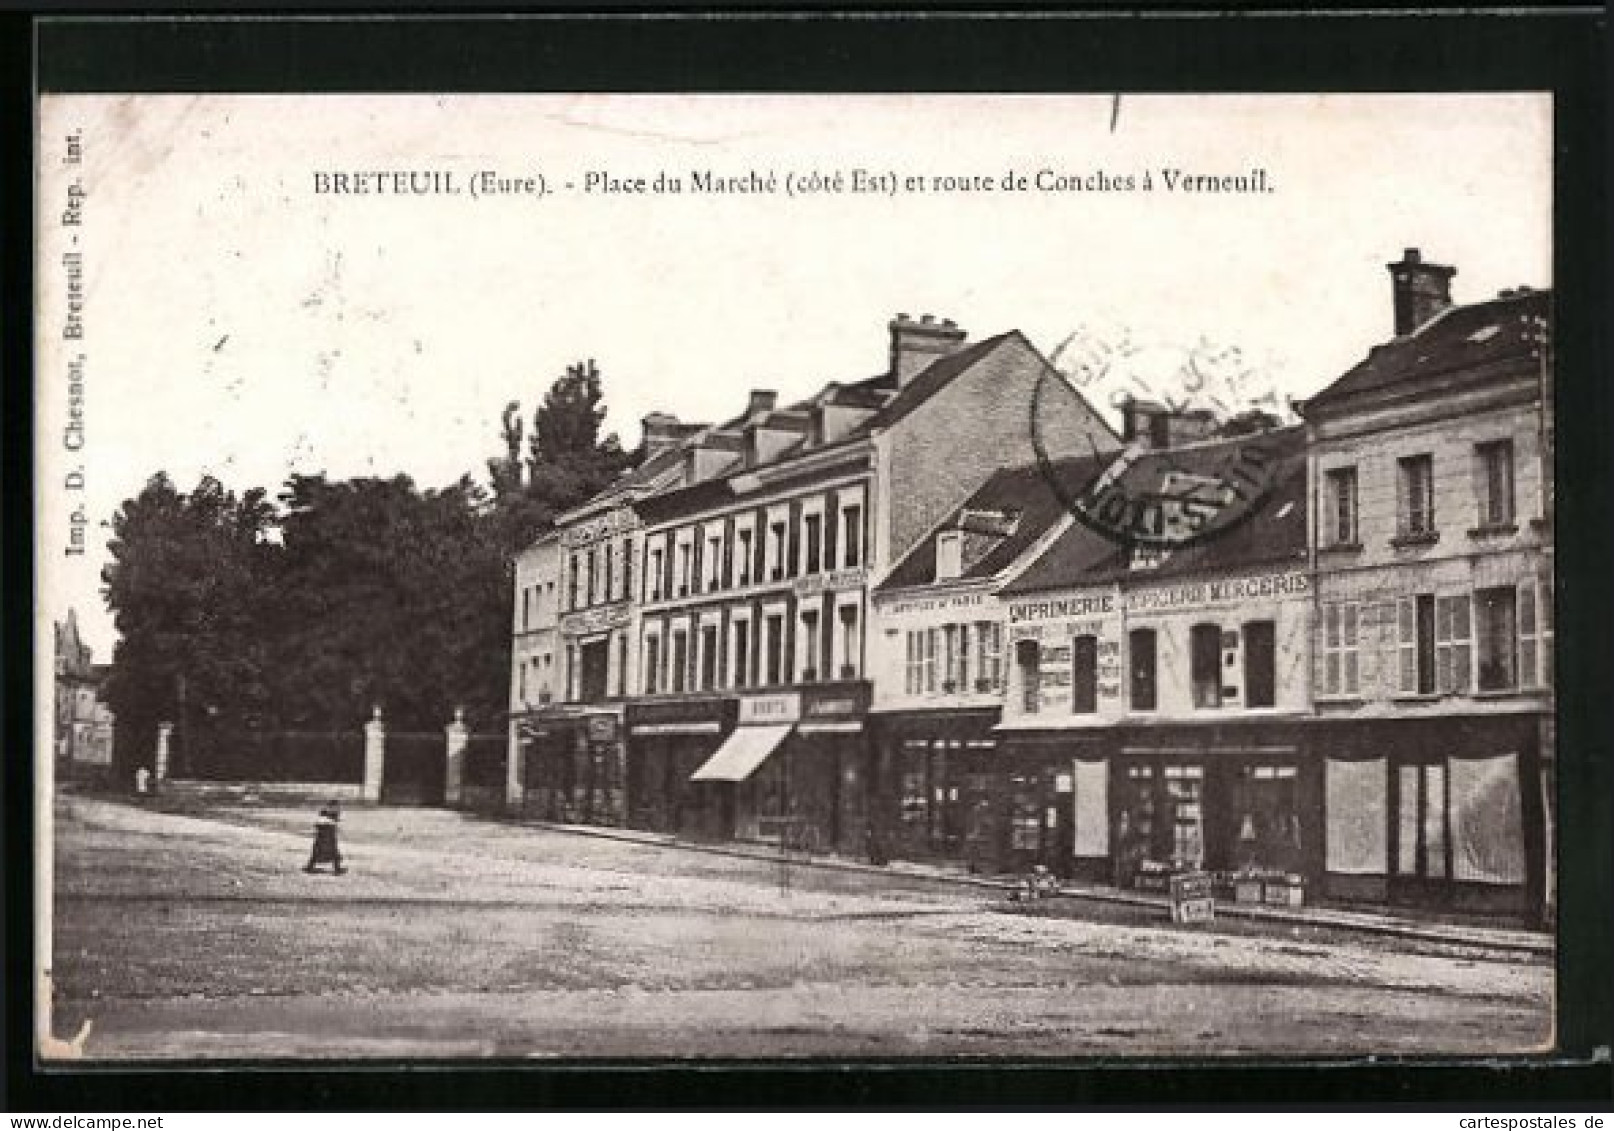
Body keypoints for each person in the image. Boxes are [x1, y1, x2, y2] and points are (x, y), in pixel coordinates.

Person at [303, 799, 346, 874]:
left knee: (318, 852)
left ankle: (310, 867)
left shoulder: (326, 813)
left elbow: (317, 824)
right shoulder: (330, 813)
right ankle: (337, 869)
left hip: (323, 836)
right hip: (327, 836)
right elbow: (333, 822)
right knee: (333, 853)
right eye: (337, 806)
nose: (338, 808)